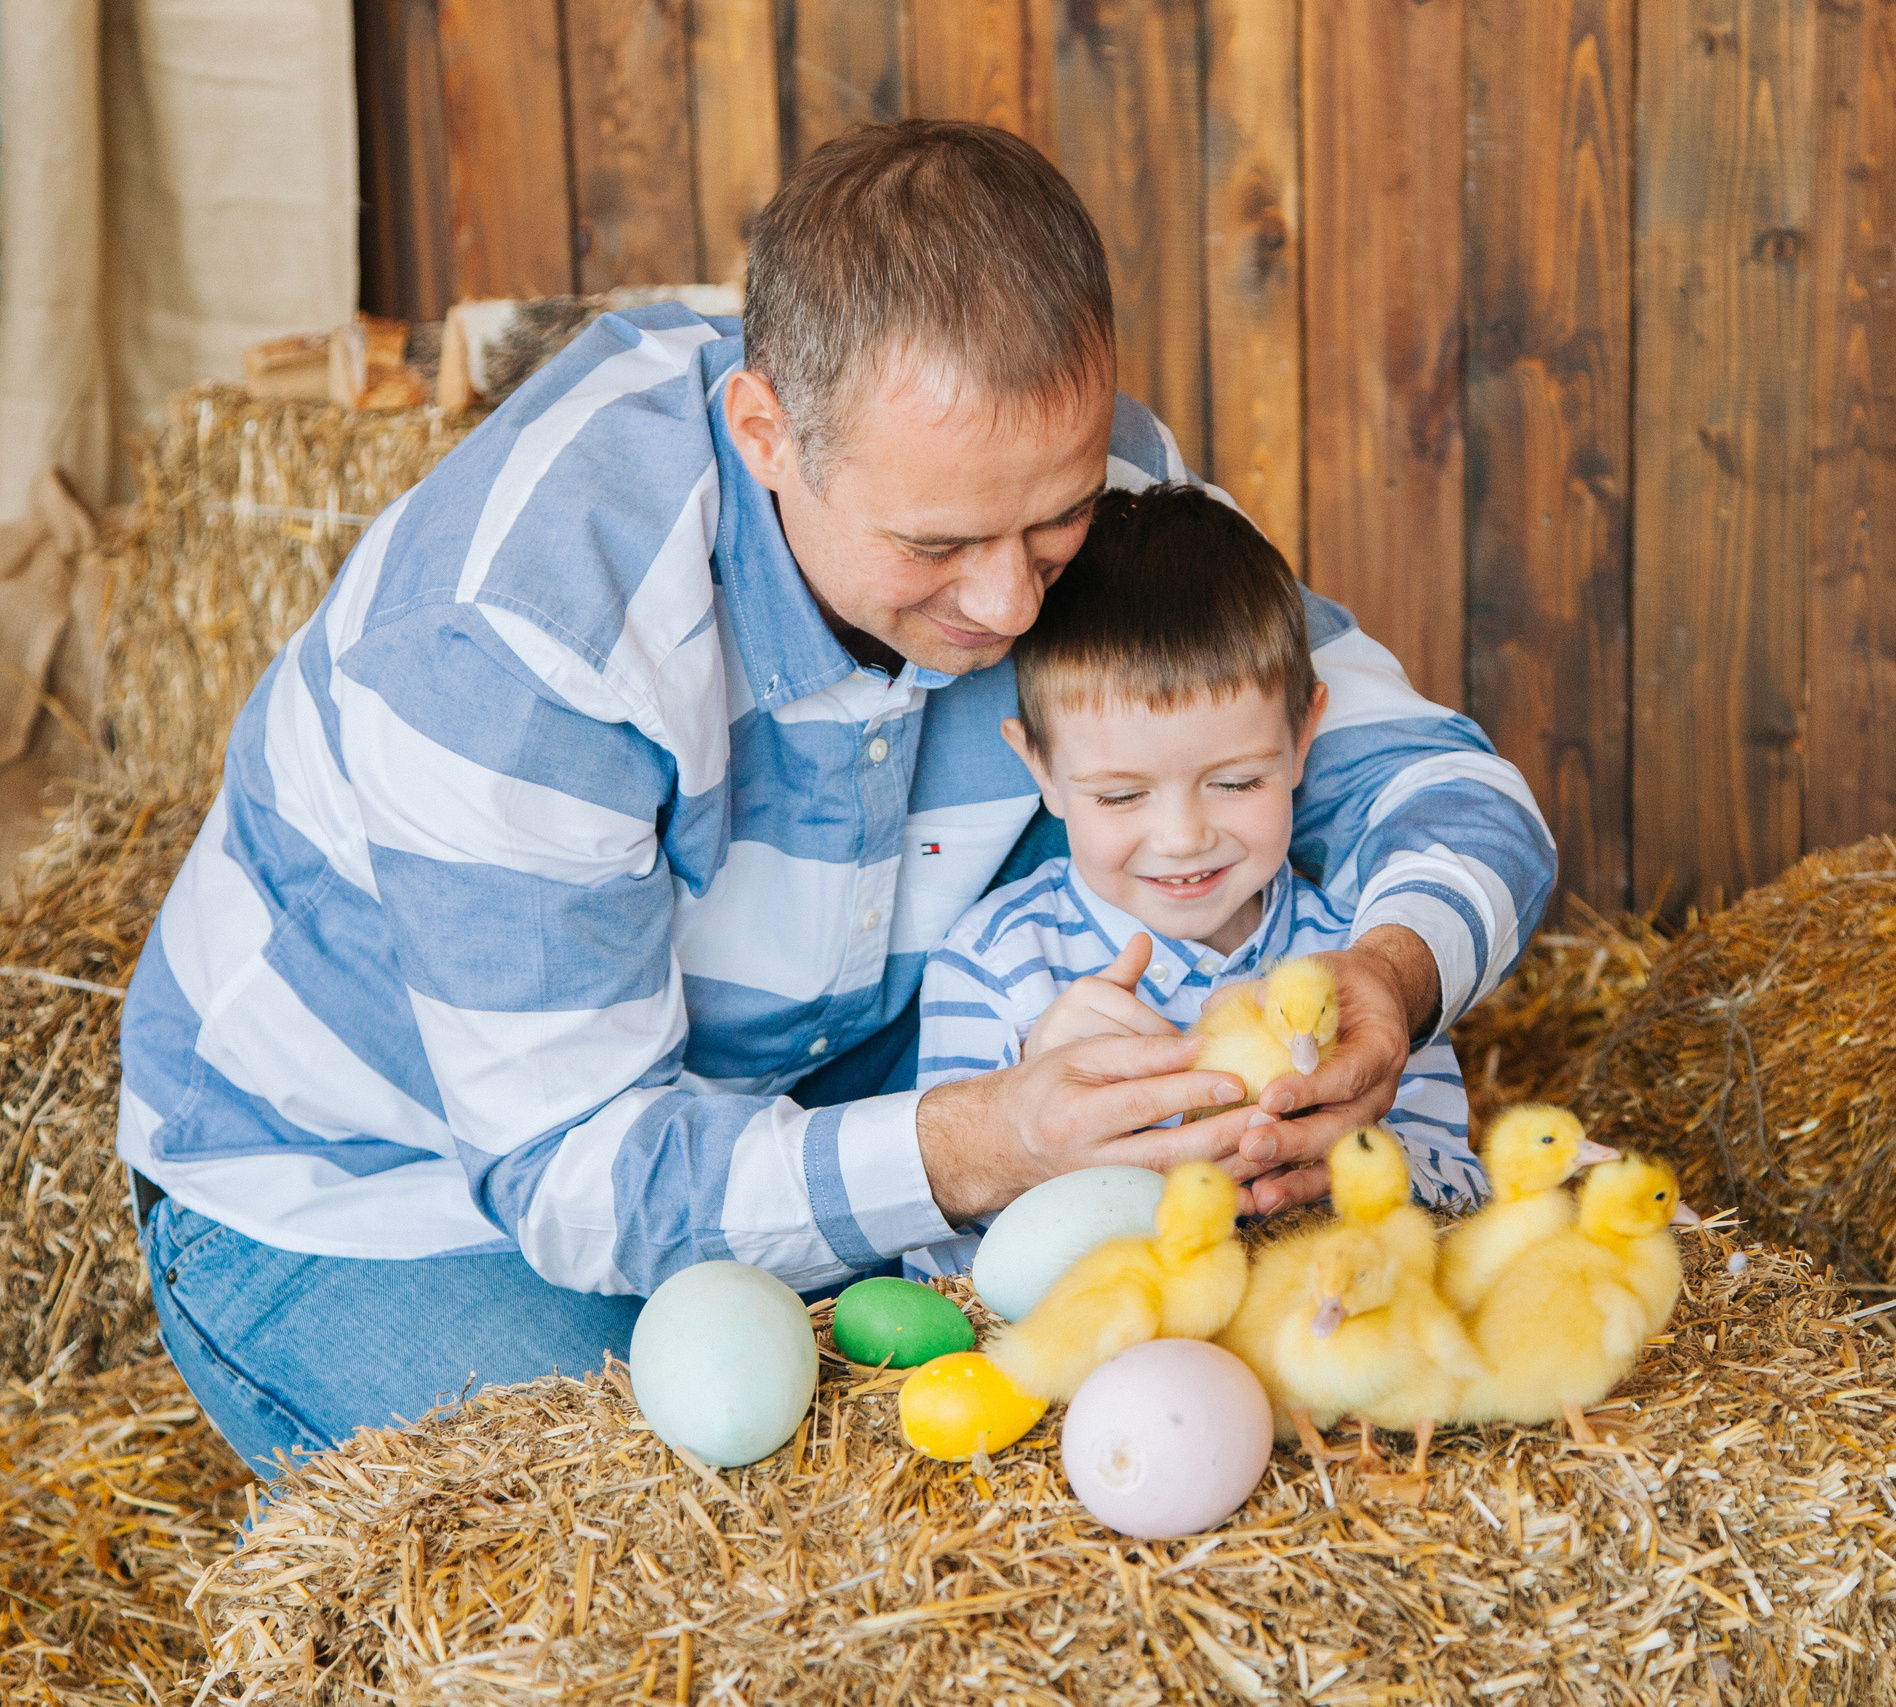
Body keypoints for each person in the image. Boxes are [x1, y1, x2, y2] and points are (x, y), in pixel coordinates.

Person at [116, 120, 1552, 1474]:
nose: (1008, 599)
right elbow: (578, 1176)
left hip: (796, 1067)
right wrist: (984, 1141)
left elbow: (1430, 777)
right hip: (375, 1176)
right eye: (939, 540)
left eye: (1050, 521)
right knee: (659, 1502)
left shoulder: (1094, 486)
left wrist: (1393, 969)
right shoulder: (523, 640)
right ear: (764, 434)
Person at [904, 486, 1487, 1280]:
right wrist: (1028, 1116)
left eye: (1238, 781)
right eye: (1120, 795)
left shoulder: (1353, 964)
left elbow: (1465, 1189)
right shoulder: (996, 966)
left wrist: (1346, 1160)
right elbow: (939, 1268)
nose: (1183, 838)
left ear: (1301, 736)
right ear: (1040, 766)